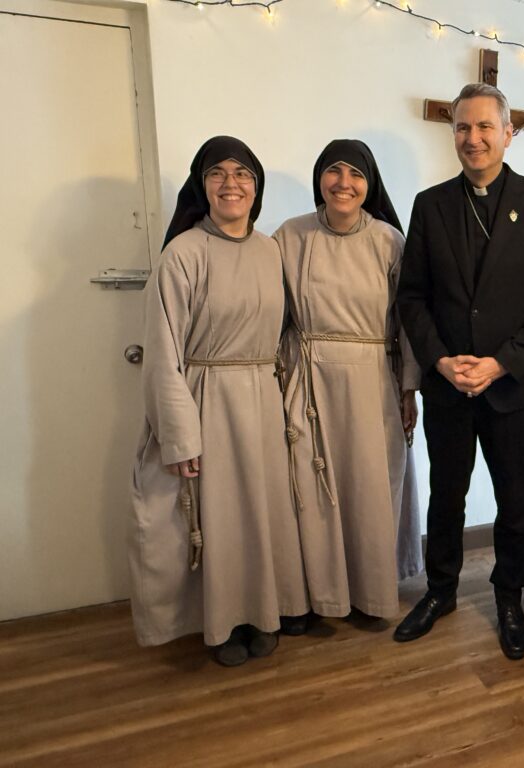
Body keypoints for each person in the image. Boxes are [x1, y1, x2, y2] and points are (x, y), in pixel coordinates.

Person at [395, 83, 524, 659]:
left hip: (515, 385)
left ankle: (507, 595)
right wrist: (441, 362)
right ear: (453, 135)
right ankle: (440, 589)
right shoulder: (429, 204)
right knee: (445, 494)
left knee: (514, 499)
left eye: (484, 128)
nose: (474, 138)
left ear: (507, 133)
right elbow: (412, 298)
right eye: (463, 129)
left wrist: (499, 363)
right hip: (448, 385)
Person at [128, 136, 309, 666]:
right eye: (218, 174)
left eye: (243, 174)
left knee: (263, 514)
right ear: (201, 184)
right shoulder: (182, 253)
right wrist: (179, 433)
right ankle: (222, 624)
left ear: (257, 188)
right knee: (218, 518)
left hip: (263, 400)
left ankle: (265, 613)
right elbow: (163, 352)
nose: (231, 184)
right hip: (206, 400)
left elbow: (290, 332)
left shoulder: (271, 251)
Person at [273, 139, 422, 627]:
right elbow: (272, 316)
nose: (344, 183)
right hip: (309, 377)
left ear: (369, 184)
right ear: (320, 178)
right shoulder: (289, 237)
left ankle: (370, 594)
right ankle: (316, 595)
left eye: (355, 174)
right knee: (309, 488)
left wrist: (408, 388)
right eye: (333, 172)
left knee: (369, 486)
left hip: (372, 381)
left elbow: (408, 321)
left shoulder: (388, 241)